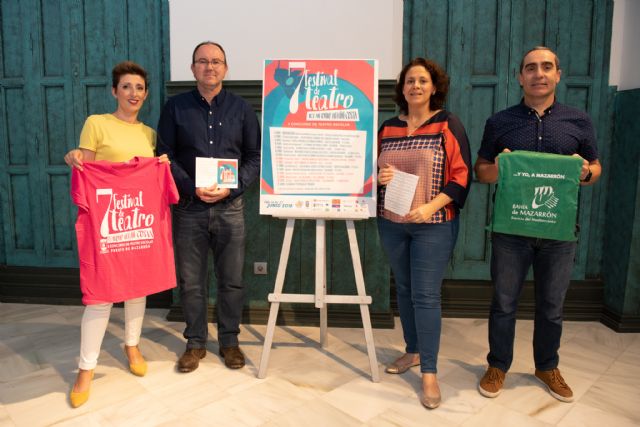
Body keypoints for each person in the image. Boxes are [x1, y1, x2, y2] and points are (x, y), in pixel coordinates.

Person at [475, 46, 601, 402]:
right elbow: (481, 172)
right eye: (531, 68)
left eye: (546, 67)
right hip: (511, 231)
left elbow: (595, 169)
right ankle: (498, 365)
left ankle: (547, 366)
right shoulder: (499, 122)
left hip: (559, 232)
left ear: (558, 74)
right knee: (503, 303)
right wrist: (499, 167)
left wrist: (585, 172)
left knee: (552, 306)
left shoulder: (579, 121)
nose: (539, 74)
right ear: (521, 77)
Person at [64, 61, 173, 408]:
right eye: (126, 86)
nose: (133, 93)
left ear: (146, 94)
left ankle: (132, 345)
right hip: (106, 225)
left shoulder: (149, 135)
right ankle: (86, 368)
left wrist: (162, 167)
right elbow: (86, 166)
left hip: (137, 224)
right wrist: (74, 157)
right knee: (100, 295)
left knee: (137, 287)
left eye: (139, 88)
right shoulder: (96, 123)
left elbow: (148, 181)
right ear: (114, 91)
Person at [156, 41, 261, 372]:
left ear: (225, 68)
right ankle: (195, 343)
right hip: (189, 208)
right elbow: (165, 156)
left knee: (232, 280)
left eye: (216, 61)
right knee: (191, 282)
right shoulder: (175, 108)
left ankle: (229, 342)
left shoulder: (242, 109)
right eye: (202, 61)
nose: (210, 66)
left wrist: (231, 188)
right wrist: (191, 187)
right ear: (193, 68)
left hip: (231, 208)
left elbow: (254, 157)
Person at [377, 58, 472, 409]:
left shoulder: (447, 123)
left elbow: (462, 175)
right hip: (392, 223)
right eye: (409, 81)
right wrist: (380, 176)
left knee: (426, 295)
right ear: (402, 88)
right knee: (403, 289)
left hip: (434, 224)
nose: (415, 86)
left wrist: (431, 207)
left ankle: (429, 372)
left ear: (434, 87)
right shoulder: (388, 128)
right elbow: (375, 169)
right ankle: (413, 351)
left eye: (422, 80)